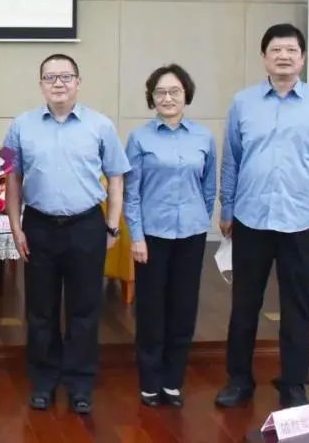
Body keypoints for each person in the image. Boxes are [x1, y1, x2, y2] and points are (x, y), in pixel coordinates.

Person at [216, 23, 309, 410]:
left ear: (302, 58)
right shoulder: (243, 103)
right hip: (251, 218)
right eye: (276, 50)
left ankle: (293, 384)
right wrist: (227, 208)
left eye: (291, 50)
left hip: (301, 222)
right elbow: (232, 159)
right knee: (244, 304)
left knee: (297, 307)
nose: (284, 56)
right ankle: (239, 379)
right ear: (264, 57)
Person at [4, 53, 130, 415]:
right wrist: (16, 226)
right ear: (40, 84)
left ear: (78, 82)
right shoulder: (21, 126)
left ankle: (79, 383)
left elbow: (116, 177)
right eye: (50, 77)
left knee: (85, 309)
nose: (58, 83)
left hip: (86, 225)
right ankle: (43, 381)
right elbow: (11, 179)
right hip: (39, 226)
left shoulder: (101, 125)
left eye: (66, 76)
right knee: (40, 310)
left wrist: (112, 224)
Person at [124, 64, 216, 408]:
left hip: (191, 234)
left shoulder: (203, 137)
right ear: (152, 98)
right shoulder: (139, 138)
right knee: (151, 310)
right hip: (152, 236)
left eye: (174, 91)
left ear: (186, 95)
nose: (167, 98)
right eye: (160, 92)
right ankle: (150, 381)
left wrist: (200, 219)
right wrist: (136, 236)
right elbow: (131, 193)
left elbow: (209, 188)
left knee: (183, 308)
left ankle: (173, 381)